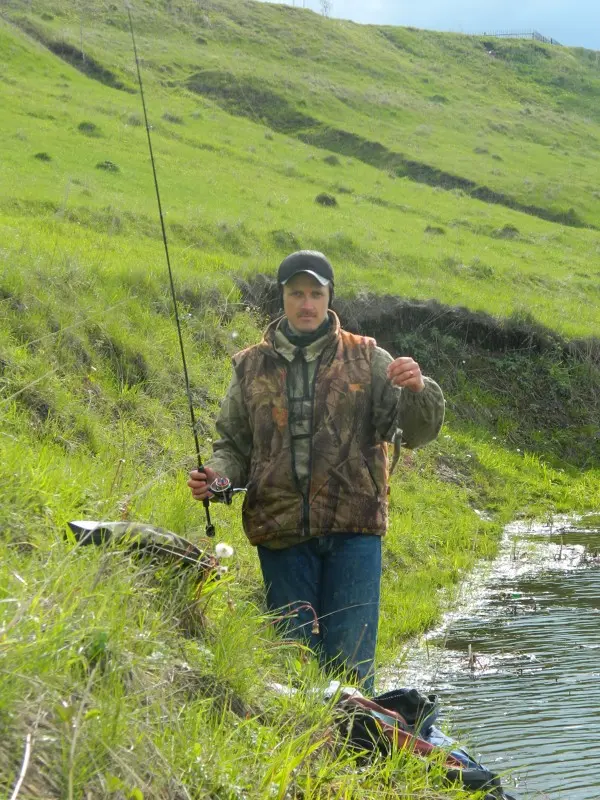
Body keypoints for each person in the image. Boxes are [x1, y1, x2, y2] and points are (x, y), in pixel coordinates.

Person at [188, 251, 444, 693]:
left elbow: (413, 432)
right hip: (281, 530)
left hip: (355, 530)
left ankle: (353, 756)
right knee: (294, 663)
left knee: (352, 665)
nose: (306, 304)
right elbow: (233, 444)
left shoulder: (368, 358)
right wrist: (219, 479)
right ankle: (304, 755)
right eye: (296, 294)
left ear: (329, 298)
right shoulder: (248, 366)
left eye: (315, 294)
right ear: (282, 298)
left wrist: (419, 390)